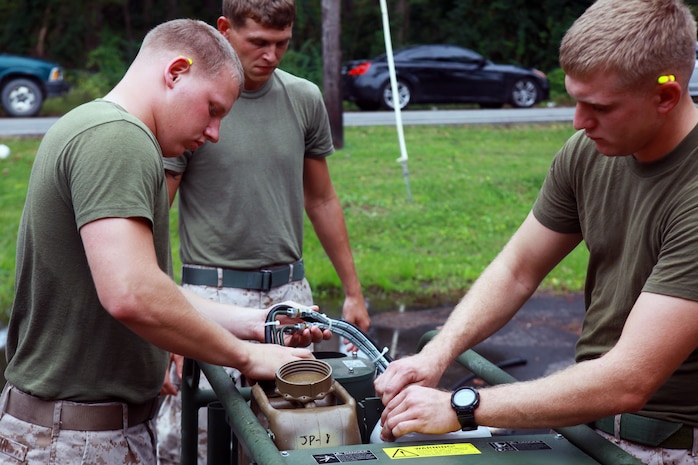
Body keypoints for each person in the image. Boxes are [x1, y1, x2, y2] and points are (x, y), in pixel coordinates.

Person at [374, 0, 698, 463]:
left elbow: (630, 380)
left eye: (599, 107)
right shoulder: (587, 152)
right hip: (587, 422)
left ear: (665, 96)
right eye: (575, 99)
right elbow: (518, 269)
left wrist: (461, 406)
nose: (579, 122)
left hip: (668, 445)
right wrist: (436, 355)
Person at [0, 18, 330, 465]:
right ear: (176, 72)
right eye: (213, 109)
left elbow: (146, 286)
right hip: (78, 441)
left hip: (74, 431)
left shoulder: (94, 124)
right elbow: (132, 294)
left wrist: (253, 321)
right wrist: (247, 356)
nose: (214, 133)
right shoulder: (119, 139)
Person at [156, 1, 370, 463]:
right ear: (225, 30)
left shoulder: (304, 97)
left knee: (302, 439)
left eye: (282, 43)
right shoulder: (195, 104)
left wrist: (353, 291)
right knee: (193, 441)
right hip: (211, 296)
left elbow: (322, 199)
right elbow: (156, 215)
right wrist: (168, 322)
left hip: (289, 297)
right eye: (259, 42)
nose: (272, 55)